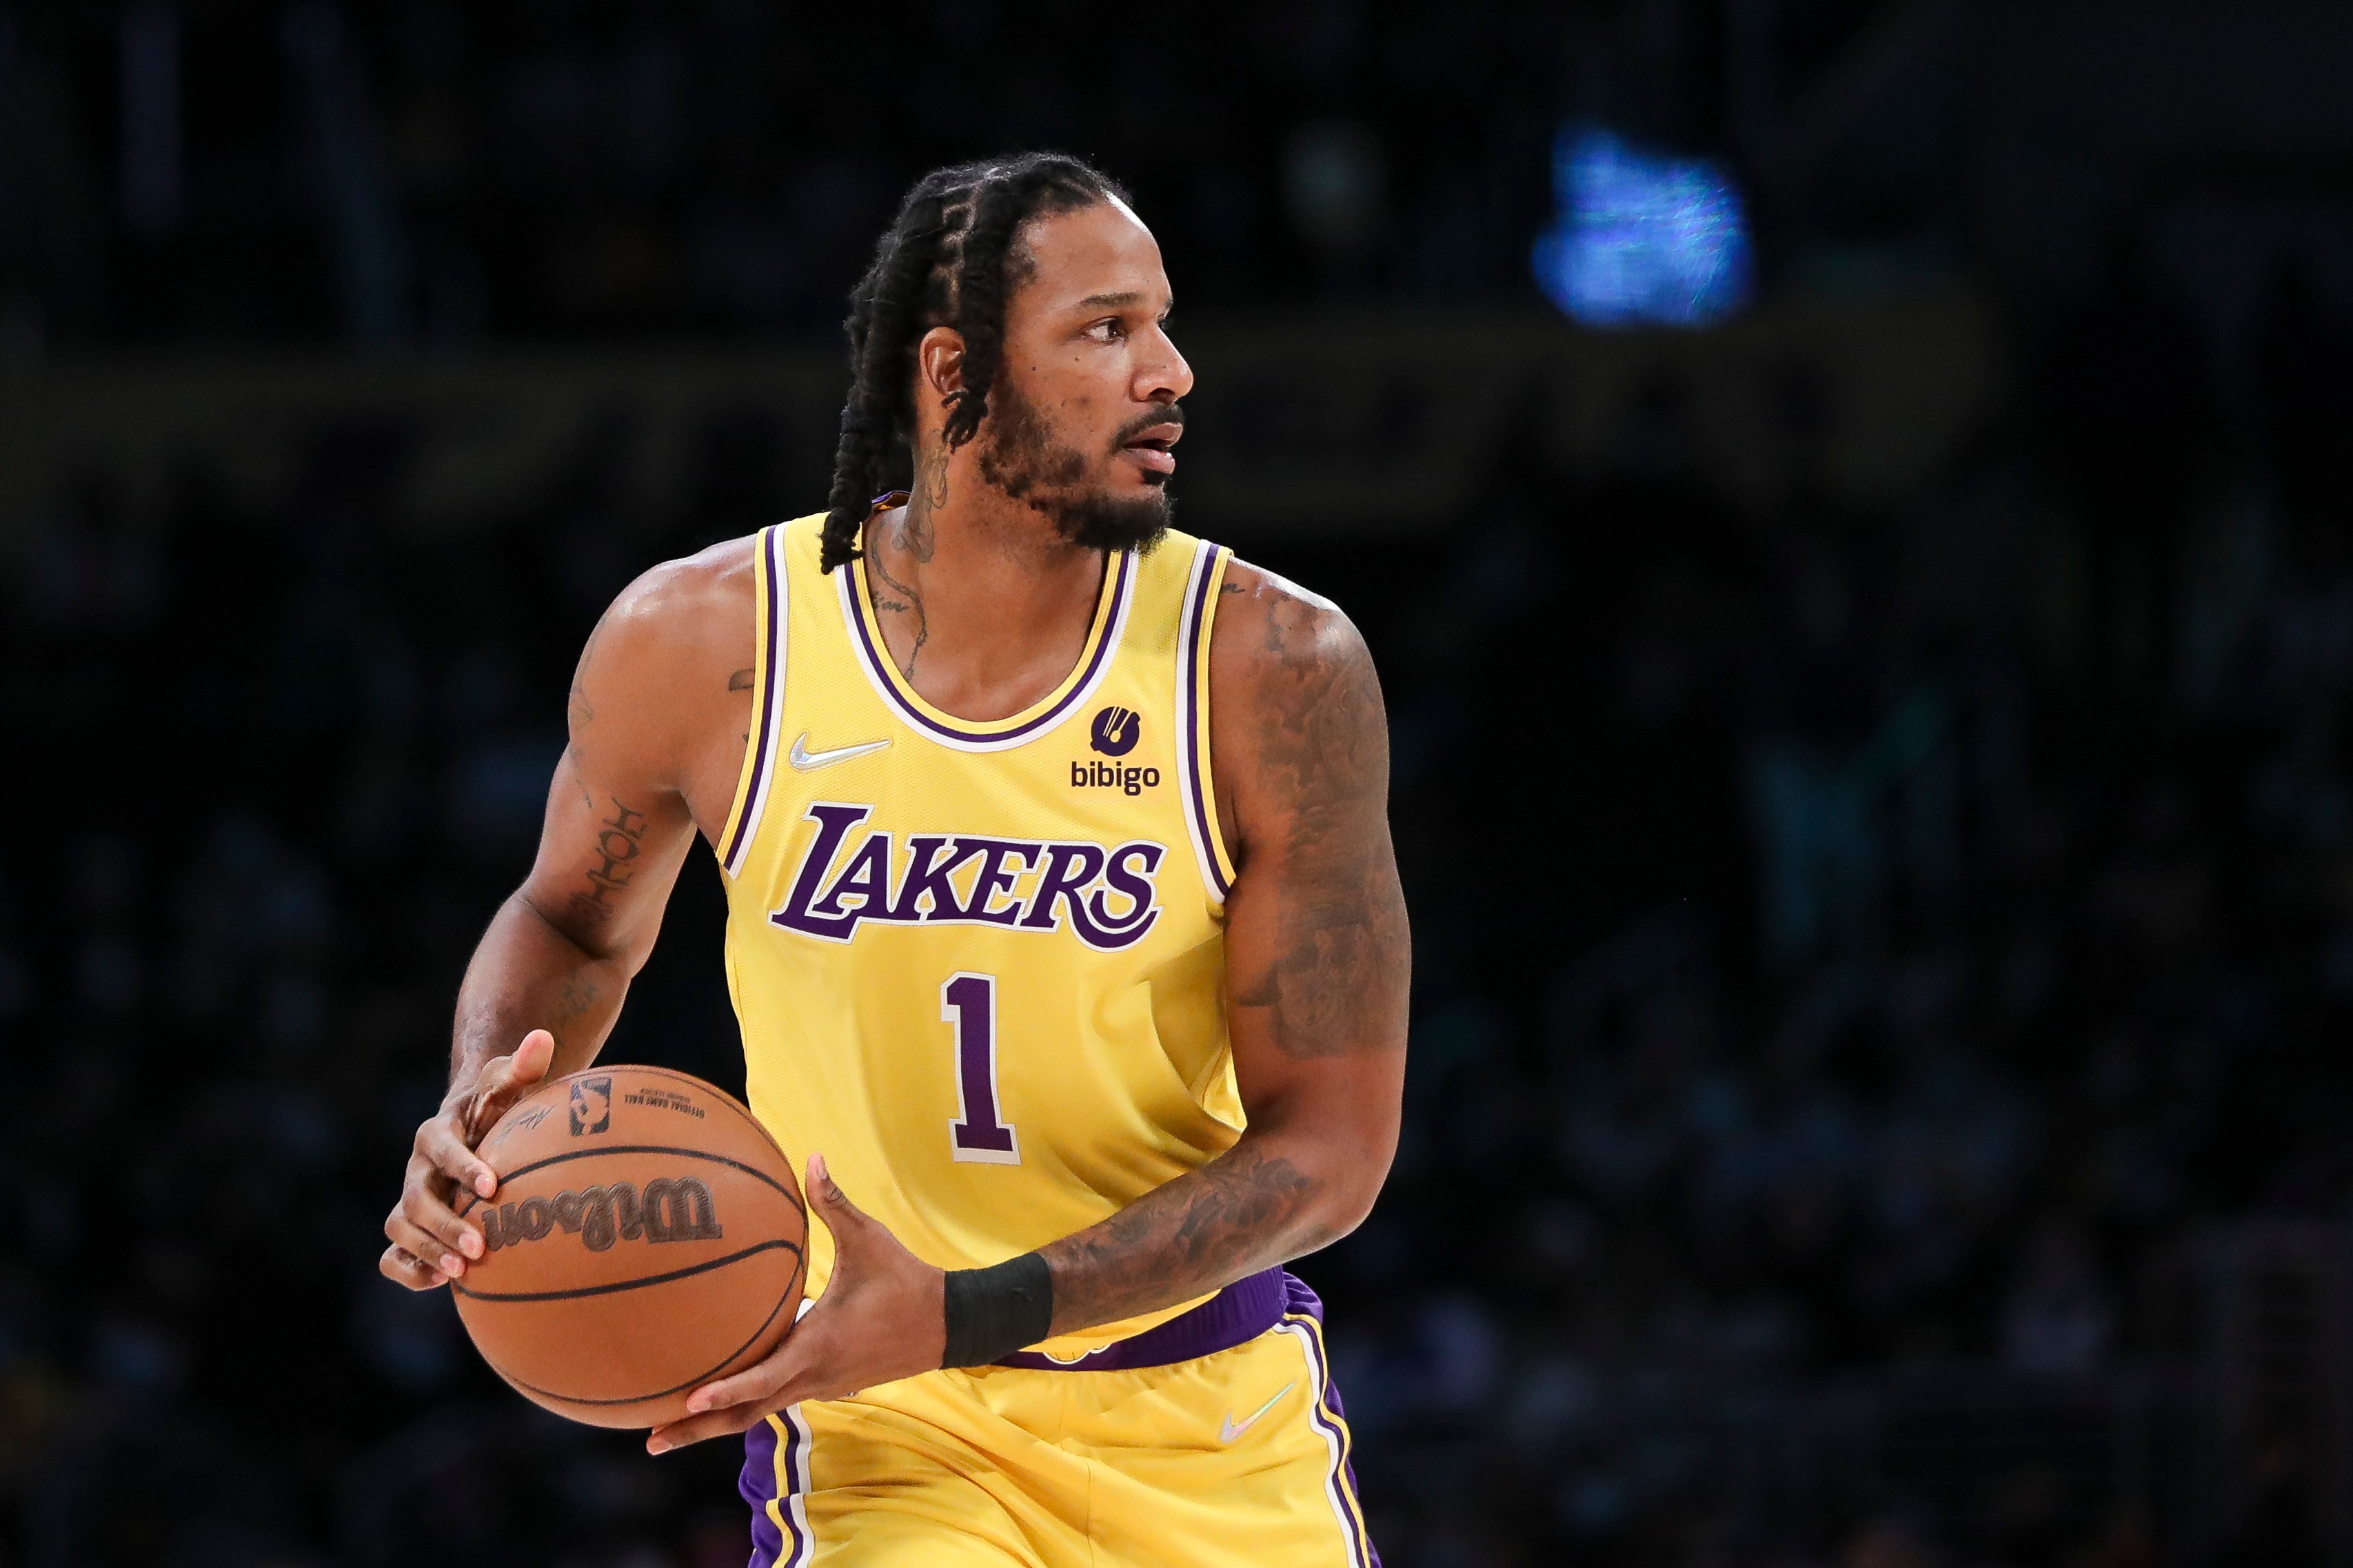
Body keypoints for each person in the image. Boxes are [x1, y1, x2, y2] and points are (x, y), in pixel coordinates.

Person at [381, 152, 1408, 1568]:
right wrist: (484, 1103)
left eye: (1163, 322)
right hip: (880, 1422)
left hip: (1208, 1420)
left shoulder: (1273, 668)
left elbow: (1334, 1149)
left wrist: (968, 1304)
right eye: (1106, 329)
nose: (1170, 370)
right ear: (954, 373)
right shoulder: (706, 644)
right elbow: (571, 917)